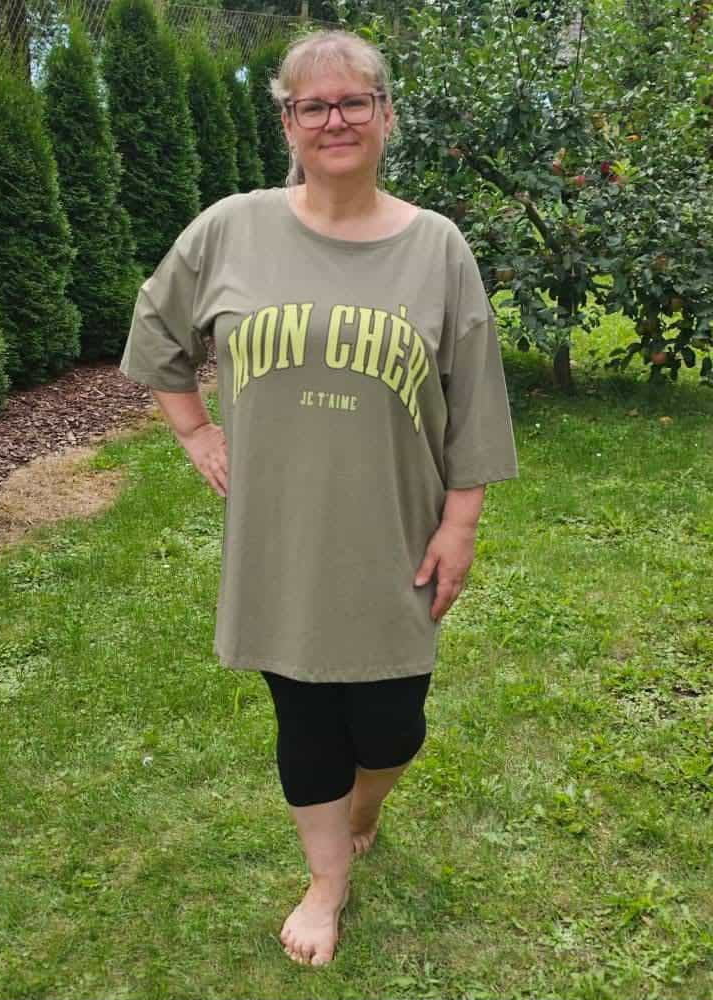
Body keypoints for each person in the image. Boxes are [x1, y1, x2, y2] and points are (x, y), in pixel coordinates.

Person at [119, 28, 519, 969]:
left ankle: (364, 808)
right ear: (288, 124)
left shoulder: (436, 246)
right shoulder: (232, 228)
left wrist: (461, 523)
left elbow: (474, 393)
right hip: (281, 537)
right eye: (312, 105)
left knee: (392, 725)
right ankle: (326, 880)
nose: (334, 119)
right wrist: (194, 430)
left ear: (385, 115)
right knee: (303, 718)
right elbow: (157, 326)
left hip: (394, 534)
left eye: (353, 102)